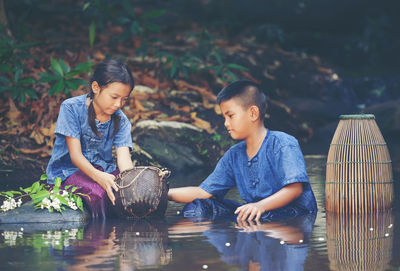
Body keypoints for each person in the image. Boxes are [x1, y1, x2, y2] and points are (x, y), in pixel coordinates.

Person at [168, 80, 317, 221]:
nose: (226, 123)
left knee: (256, 219)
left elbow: (295, 189)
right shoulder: (234, 155)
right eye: (224, 117)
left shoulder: (282, 143)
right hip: (255, 212)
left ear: (253, 113)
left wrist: (261, 206)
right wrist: (163, 193)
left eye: (230, 116)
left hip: (292, 213)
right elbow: (203, 193)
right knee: (199, 206)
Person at [46, 58, 135, 217]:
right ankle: (101, 239)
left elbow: (124, 159)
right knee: (99, 194)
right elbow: (75, 156)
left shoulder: (121, 121)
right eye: (114, 97)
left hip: (104, 170)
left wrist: (132, 182)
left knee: (126, 195)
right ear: (96, 87)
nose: (118, 104)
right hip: (70, 171)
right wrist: (99, 177)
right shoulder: (71, 108)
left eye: (124, 99)